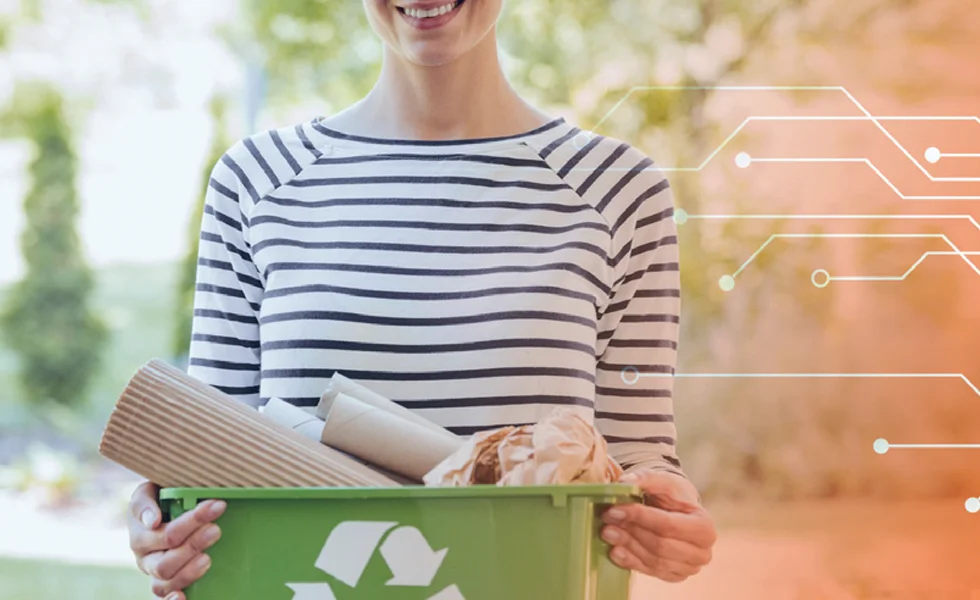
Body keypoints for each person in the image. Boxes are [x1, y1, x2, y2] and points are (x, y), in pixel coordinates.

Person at [127, 0, 716, 597]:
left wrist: (666, 521)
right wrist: (165, 523)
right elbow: (208, 448)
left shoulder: (621, 192)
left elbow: (638, 461)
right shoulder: (256, 182)